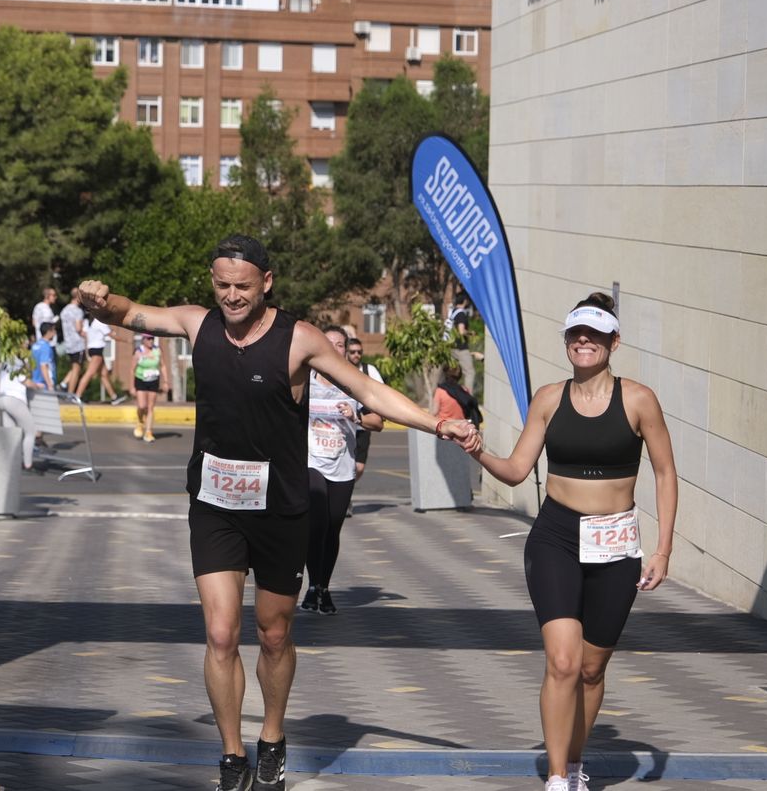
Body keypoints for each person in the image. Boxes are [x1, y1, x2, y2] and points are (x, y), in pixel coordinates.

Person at [76, 234, 477, 791]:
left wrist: (439, 423)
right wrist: (102, 298)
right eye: (222, 285)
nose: (232, 296)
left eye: (243, 286)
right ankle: (233, 754)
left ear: (267, 282)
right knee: (220, 635)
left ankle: (271, 736)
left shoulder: (300, 339)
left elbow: (368, 391)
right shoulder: (198, 324)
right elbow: (135, 315)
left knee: (272, 635)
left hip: (281, 508)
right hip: (215, 503)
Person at [467, 291, 677, 791]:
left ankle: (577, 765)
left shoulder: (639, 399)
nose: (585, 341)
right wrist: (478, 451)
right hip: (556, 538)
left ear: (613, 341)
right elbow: (518, 470)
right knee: (561, 661)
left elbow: (666, 473)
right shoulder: (547, 399)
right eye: (576, 334)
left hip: (615, 544)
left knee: (589, 668)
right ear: (567, 342)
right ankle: (557, 778)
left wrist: (663, 549)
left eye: (595, 334)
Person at [301, 326, 383, 615]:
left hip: (342, 464)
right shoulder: (306, 380)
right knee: (318, 521)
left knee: (333, 525)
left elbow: (378, 421)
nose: (334, 348)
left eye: (340, 345)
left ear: (346, 351)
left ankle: (323, 586)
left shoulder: (353, 383)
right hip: (312, 462)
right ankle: (311, 586)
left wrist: (356, 416)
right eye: (330, 343)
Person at [0, 344, 38, 472]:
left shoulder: (4, 359)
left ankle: (10, 463)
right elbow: (25, 380)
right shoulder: (19, 361)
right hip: (15, 399)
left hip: (2, 397)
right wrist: (38, 386)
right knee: (30, 431)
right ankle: (28, 465)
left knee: (11, 434)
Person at [345, 337, 381, 484]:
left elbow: (381, 392)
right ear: (346, 352)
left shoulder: (369, 370)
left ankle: (348, 489)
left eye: (359, 352)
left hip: (362, 424)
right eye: (353, 352)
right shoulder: (341, 370)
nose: (356, 355)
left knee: (359, 467)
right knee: (344, 463)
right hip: (345, 425)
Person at [131, 333, 168, 443]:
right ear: (143, 340)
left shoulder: (158, 351)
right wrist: (131, 386)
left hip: (153, 380)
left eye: (152, 338)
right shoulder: (138, 351)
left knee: (150, 407)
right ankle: (139, 422)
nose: (151, 340)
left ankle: (148, 432)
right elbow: (132, 369)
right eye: (149, 338)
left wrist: (166, 381)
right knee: (142, 406)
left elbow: (163, 366)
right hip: (141, 380)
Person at [77, 315, 118, 402]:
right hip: (97, 351)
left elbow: (85, 337)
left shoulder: (87, 322)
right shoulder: (100, 322)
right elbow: (112, 335)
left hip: (93, 350)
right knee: (89, 374)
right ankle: (77, 396)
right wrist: (126, 340)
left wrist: (87, 352)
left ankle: (114, 397)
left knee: (104, 374)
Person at [444, 292, 479, 391]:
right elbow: (461, 331)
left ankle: (450, 393)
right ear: (465, 301)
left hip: (451, 346)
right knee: (469, 372)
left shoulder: (453, 312)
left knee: (452, 372)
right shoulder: (461, 314)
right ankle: (467, 397)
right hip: (461, 348)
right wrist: (471, 333)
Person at [434, 361, 482, 430]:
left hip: (444, 428)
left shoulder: (440, 391)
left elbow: (434, 412)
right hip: (461, 428)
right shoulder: (464, 390)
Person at [58, 295, 87, 394]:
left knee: (75, 367)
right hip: (78, 343)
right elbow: (78, 328)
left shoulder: (64, 310)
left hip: (68, 343)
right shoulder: (78, 311)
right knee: (77, 370)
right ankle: (70, 394)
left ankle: (63, 384)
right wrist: (86, 334)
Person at [30, 321, 58, 390]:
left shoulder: (35, 345)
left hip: (35, 382)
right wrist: (50, 385)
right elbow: (44, 366)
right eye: (53, 330)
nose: (55, 333)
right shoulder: (46, 347)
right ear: (48, 332)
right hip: (44, 385)